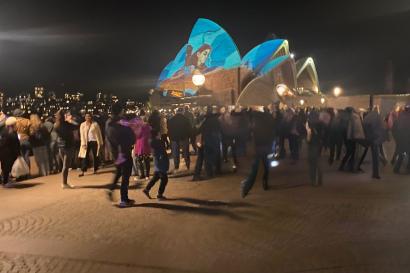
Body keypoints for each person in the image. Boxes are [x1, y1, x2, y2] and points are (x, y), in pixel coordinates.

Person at [106, 102, 136, 208]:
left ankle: (111, 189)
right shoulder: (122, 122)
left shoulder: (108, 122)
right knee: (125, 175)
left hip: (115, 152)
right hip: (124, 151)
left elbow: (109, 138)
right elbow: (131, 135)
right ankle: (124, 200)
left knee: (119, 171)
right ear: (120, 111)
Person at [241, 108, 275, 198]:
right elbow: (273, 132)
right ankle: (264, 183)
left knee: (254, 169)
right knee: (266, 166)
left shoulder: (254, 119)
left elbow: (248, 133)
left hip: (257, 147)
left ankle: (246, 188)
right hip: (266, 146)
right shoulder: (268, 118)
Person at [142, 130, 170, 200]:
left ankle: (147, 189)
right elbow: (163, 150)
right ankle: (160, 195)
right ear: (156, 135)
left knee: (156, 177)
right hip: (161, 161)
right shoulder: (157, 142)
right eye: (159, 133)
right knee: (164, 179)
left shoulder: (151, 141)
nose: (160, 134)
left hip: (157, 161)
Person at [54, 110, 78, 189]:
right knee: (66, 165)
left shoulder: (56, 125)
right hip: (68, 145)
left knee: (64, 165)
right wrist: (70, 120)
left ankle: (65, 182)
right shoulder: (67, 124)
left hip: (61, 145)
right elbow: (76, 125)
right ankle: (64, 183)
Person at [168, 108, 191, 172]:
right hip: (184, 137)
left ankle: (176, 166)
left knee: (175, 153)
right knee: (186, 152)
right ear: (182, 112)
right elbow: (189, 129)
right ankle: (187, 165)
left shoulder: (171, 120)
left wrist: (170, 138)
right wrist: (189, 136)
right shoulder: (185, 119)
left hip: (174, 138)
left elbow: (169, 130)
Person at [0, 117, 21, 187]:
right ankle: (6, 181)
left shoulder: (3, 132)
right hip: (9, 153)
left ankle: (5, 181)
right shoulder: (12, 133)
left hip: (3, 153)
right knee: (7, 167)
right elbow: (15, 144)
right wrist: (18, 153)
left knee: (5, 167)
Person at [306, 110, 324, 186]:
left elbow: (309, 135)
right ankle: (320, 179)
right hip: (319, 144)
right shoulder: (321, 123)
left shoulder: (310, 124)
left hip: (312, 144)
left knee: (312, 163)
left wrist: (308, 140)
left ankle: (313, 180)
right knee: (318, 162)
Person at [14, 109, 32, 173]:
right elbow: (31, 131)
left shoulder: (14, 122)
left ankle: (23, 172)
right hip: (27, 139)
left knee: (21, 157)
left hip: (18, 141)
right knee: (26, 156)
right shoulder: (27, 121)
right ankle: (28, 172)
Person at [393, 104, 410, 174]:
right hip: (407, 137)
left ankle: (396, 169)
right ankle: (408, 168)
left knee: (401, 153)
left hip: (401, 138)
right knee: (405, 153)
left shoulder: (400, 116)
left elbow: (395, 127)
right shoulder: (407, 116)